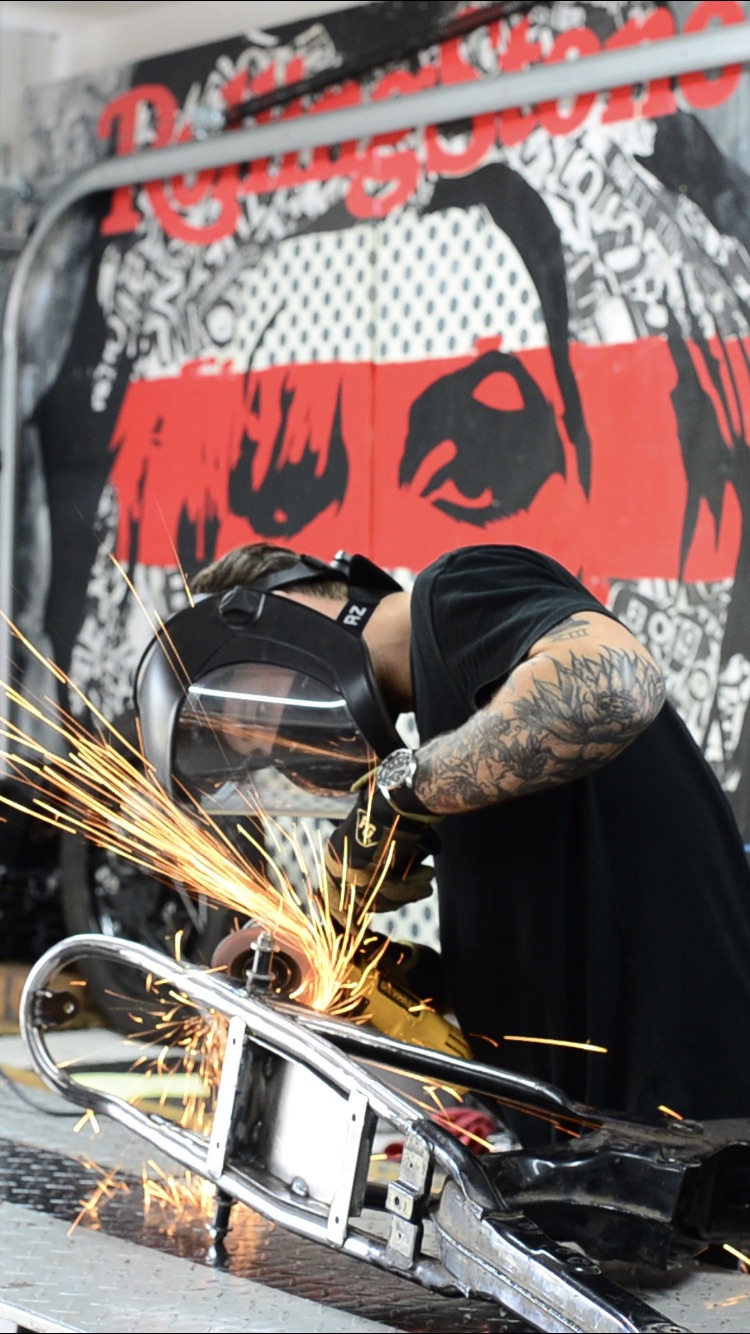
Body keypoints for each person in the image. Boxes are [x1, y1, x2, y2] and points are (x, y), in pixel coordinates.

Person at [152, 540, 750, 1137]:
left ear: (279, 613)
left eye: (252, 712)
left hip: (688, 1131)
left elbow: (614, 687)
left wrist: (402, 794)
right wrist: (395, 978)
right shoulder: (456, 743)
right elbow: (568, 953)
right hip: (604, 1146)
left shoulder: (458, 593)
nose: (268, 743)